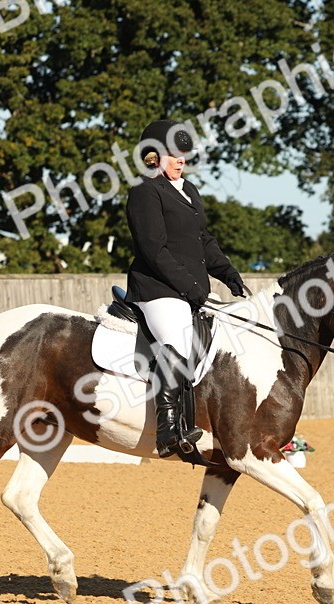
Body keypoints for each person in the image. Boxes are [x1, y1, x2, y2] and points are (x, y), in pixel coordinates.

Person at [125, 119, 248, 458]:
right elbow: (154, 249)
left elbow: (202, 240)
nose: (181, 160)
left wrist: (227, 272)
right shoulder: (145, 191)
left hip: (189, 288)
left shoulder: (189, 190)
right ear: (154, 156)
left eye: (184, 155)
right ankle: (167, 430)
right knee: (178, 339)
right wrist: (192, 287)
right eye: (173, 154)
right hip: (157, 289)